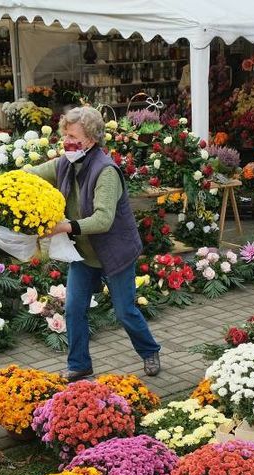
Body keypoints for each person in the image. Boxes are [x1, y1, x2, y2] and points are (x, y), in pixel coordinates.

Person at [29, 106, 162, 381]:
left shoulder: (106, 171)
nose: (67, 141)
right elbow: (31, 174)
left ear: (90, 139)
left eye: (73, 136)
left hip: (115, 253)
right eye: (64, 135)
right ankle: (79, 365)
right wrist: (5, 184)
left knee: (125, 310)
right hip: (84, 254)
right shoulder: (65, 163)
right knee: (73, 308)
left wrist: (63, 227)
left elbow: (103, 219)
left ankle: (149, 351)